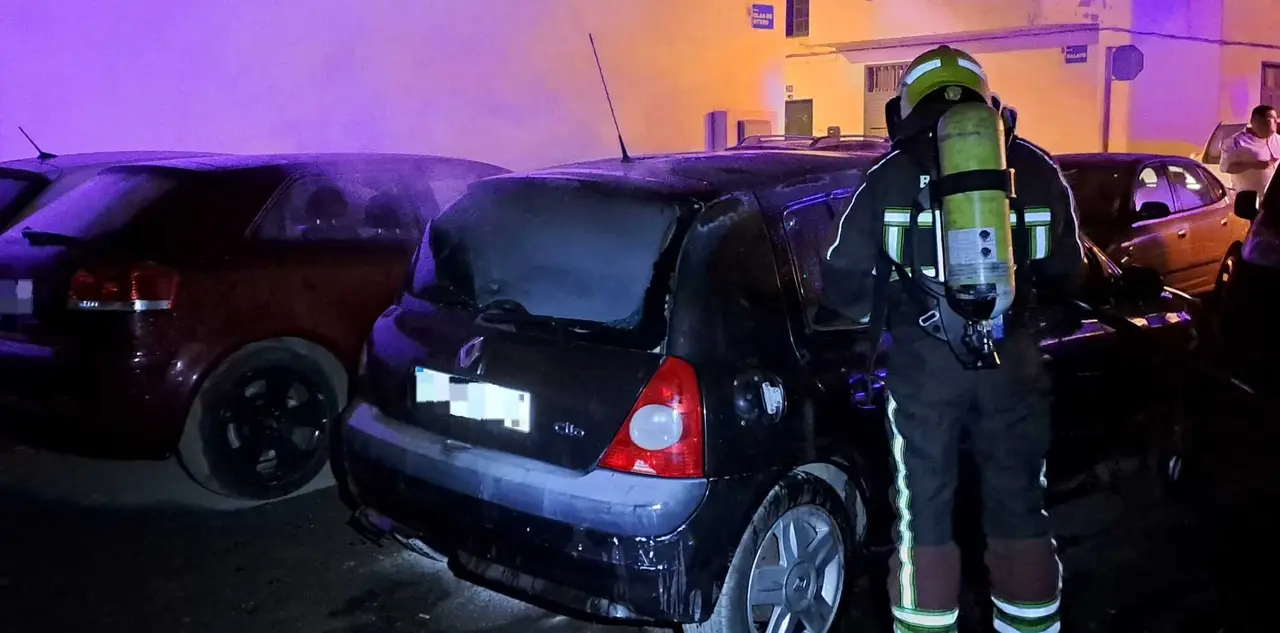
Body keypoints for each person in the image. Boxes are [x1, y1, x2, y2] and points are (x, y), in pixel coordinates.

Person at [821, 45, 1087, 633]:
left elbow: (840, 277)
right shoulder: (1037, 170)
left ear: (909, 103)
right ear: (982, 97)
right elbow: (1070, 272)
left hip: (923, 369)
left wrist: (892, 314)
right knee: (1021, 506)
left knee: (923, 516)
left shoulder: (886, 178)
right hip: (1014, 363)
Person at [1221, 104, 1280, 196]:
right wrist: (1252, 165)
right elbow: (1226, 167)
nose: (1275, 121)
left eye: (1276, 118)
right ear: (1254, 122)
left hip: (1273, 201)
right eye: (1270, 118)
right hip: (1248, 200)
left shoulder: (1278, 139)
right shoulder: (1235, 142)